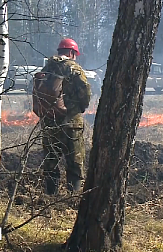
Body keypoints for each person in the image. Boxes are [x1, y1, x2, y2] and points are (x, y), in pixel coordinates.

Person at [37, 38, 92, 195]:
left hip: (49, 121)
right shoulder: (74, 68)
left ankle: (50, 195)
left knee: (51, 158)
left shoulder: (47, 67)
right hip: (71, 121)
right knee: (75, 158)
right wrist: (80, 108)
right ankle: (72, 195)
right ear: (72, 53)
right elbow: (85, 91)